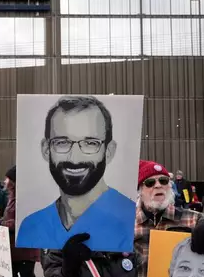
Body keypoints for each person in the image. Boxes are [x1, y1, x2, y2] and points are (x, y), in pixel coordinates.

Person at [17, 95, 135, 253]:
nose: (75, 158)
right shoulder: (32, 226)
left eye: (90, 143)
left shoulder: (129, 220)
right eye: (62, 142)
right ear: (46, 149)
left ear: (109, 151)